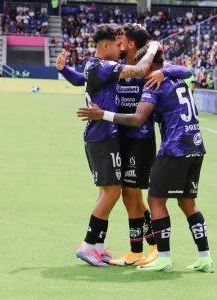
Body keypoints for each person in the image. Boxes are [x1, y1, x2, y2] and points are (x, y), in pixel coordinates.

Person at [77, 45, 214, 273]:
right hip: (197, 147)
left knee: (155, 201)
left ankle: (163, 258)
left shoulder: (153, 83)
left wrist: (104, 115)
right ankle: (205, 257)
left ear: (149, 66)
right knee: (188, 203)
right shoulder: (177, 78)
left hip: (175, 148)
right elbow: (188, 71)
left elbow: (138, 118)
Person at [67, 23, 161, 267]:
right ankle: (88, 245)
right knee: (113, 192)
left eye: (124, 44)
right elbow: (140, 70)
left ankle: (97, 246)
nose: (121, 48)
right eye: (117, 44)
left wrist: (63, 69)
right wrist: (153, 47)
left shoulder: (94, 65)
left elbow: (80, 79)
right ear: (106, 45)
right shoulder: (105, 66)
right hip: (103, 136)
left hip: (111, 136)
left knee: (111, 192)